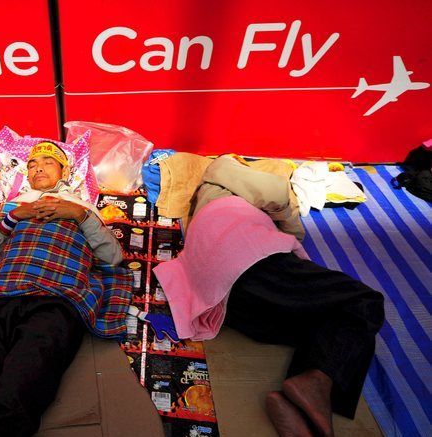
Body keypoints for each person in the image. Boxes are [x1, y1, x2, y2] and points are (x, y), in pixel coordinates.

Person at [154, 155, 385, 437]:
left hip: (229, 302)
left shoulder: (200, 215)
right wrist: (289, 222)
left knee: (326, 323)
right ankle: (314, 383)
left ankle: (296, 410)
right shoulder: (220, 170)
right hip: (245, 259)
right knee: (362, 301)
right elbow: (277, 192)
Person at [0, 141, 131, 437]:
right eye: (32, 165)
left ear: (64, 171)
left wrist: (79, 216)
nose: (37, 168)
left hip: (55, 298)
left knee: (20, 385)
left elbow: (113, 257)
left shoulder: (81, 207)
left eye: (47, 162)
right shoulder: (13, 208)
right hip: (0, 295)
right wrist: (15, 217)